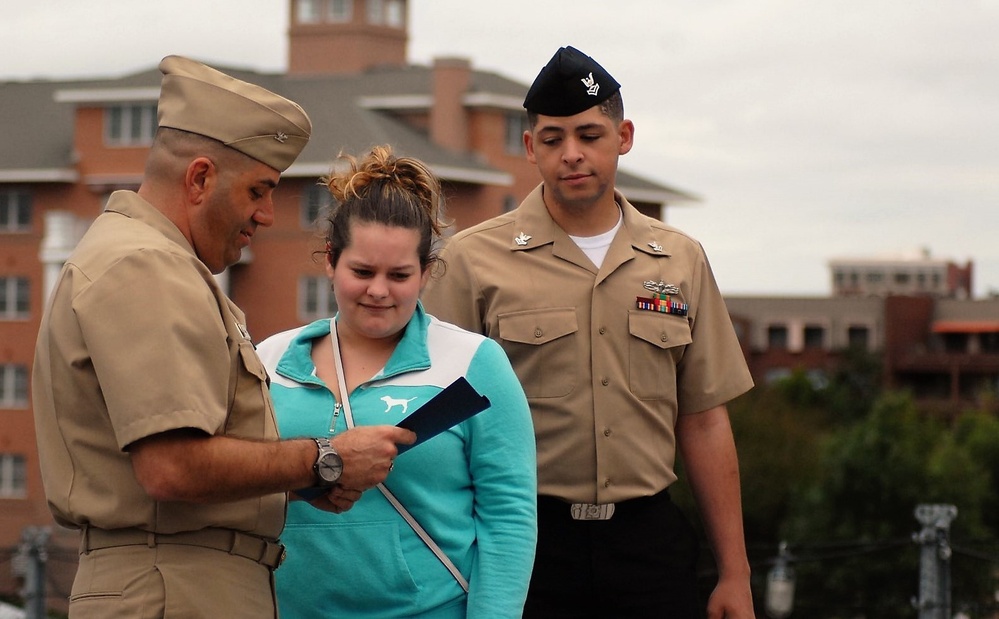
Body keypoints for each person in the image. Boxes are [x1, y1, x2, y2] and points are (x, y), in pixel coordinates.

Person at [31, 56, 414, 619]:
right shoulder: (146, 266)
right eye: (259, 190)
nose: (266, 214)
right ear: (201, 177)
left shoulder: (147, 261)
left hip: (176, 580)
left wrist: (295, 480)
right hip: (175, 589)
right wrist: (325, 459)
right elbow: (172, 467)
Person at [422, 46, 756, 618]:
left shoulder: (679, 260)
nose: (572, 155)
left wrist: (735, 573)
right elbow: (434, 416)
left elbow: (703, 417)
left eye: (589, 135)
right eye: (552, 139)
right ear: (530, 148)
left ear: (624, 136)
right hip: (522, 542)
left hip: (648, 546)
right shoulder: (473, 261)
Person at [254, 145, 537, 618]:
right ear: (330, 260)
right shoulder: (270, 359)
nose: (379, 291)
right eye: (362, 271)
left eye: (400, 274)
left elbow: (509, 516)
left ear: (427, 271)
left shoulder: (473, 363)